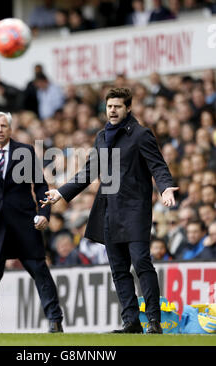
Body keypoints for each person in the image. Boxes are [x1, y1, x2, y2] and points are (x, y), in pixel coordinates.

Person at [41, 88, 178, 334]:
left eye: (117, 106)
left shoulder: (141, 134)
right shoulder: (102, 137)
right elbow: (89, 172)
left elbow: (158, 166)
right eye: (109, 106)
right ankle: (131, 322)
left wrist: (166, 188)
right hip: (110, 211)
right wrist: (61, 192)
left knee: (141, 263)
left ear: (128, 108)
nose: (112, 110)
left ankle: (154, 321)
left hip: (135, 209)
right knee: (118, 269)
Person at [0, 111, 63, 333]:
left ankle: (55, 320)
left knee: (39, 270)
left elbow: (41, 186)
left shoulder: (25, 151)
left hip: (25, 223)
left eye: (3, 126)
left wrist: (44, 213)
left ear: (10, 129)